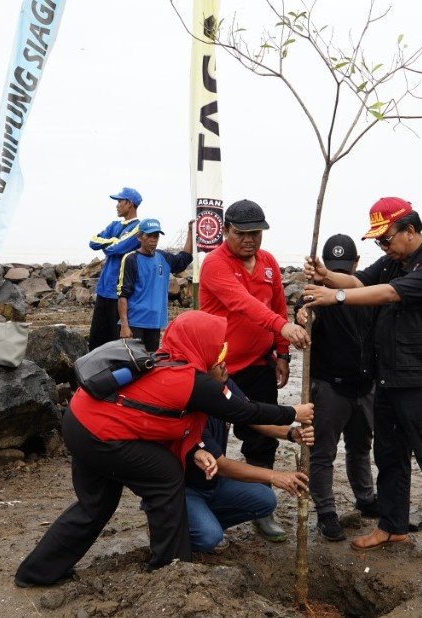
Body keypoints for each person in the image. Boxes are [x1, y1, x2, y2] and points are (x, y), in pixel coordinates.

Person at [14, 311, 314, 586]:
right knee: (165, 475)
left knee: (96, 505)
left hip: (80, 420)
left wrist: (195, 447)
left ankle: (37, 572)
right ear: (200, 345)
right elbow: (245, 413)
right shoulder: (191, 380)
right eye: (218, 349)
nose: (222, 356)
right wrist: (293, 413)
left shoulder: (167, 360)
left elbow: (159, 418)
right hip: (98, 432)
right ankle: (171, 568)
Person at [302, 197, 422, 579]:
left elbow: (388, 293)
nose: (383, 246)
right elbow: (359, 281)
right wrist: (327, 276)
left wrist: (335, 296)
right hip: (388, 378)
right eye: (377, 242)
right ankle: (392, 526)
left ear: (410, 230)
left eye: (387, 238)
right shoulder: (394, 261)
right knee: (389, 457)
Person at [198, 199, 310, 542]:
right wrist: (284, 325)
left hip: (260, 364)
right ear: (226, 231)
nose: (249, 239)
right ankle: (204, 498)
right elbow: (241, 304)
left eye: (256, 233)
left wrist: (282, 353)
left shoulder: (268, 262)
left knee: (262, 436)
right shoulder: (214, 265)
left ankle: (263, 507)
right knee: (210, 436)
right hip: (220, 367)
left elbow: (276, 303)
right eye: (241, 233)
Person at [294, 234, 378, 542]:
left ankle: (366, 498)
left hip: (364, 386)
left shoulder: (366, 292)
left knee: (360, 447)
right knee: (322, 452)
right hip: (329, 387)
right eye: (332, 267)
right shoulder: (314, 295)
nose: (338, 273)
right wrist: (301, 314)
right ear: (323, 266)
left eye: (346, 266)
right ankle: (326, 512)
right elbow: (301, 311)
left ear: (356, 264)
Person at [185, 372, 313, 553]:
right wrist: (274, 476)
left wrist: (291, 433)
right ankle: (184, 532)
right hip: (187, 489)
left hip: (213, 483)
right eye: (217, 360)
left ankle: (206, 523)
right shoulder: (193, 401)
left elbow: (251, 416)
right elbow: (223, 467)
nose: (224, 364)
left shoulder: (224, 383)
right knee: (208, 537)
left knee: (265, 499)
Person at [117, 219, 193, 352]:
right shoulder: (130, 259)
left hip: (155, 323)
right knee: (134, 364)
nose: (153, 239)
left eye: (156, 236)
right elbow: (123, 295)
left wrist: (190, 232)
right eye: (149, 235)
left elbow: (184, 258)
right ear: (139, 237)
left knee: (151, 363)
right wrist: (124, 325)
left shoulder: (164, 257)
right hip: (135, 323)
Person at [88, 187, 142, 351]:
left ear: (130, 204)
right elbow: (92, 242)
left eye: (120, 201)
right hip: (103, 290)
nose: (117, 205)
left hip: (119, 292)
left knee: (116, 340)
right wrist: (113, 240)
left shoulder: (139, 228)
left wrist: (109, 243)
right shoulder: (114, 225)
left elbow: (116, 249)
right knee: (96, 337)